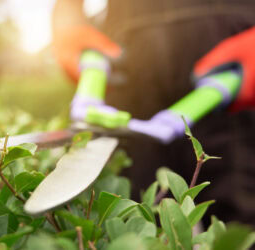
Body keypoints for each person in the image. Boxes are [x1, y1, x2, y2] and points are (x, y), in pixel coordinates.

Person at [52, 0, 255, 227]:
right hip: (130, 56)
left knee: (242, 230)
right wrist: (68, 20)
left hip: (233, 43)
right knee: (130, 222)